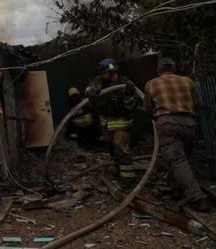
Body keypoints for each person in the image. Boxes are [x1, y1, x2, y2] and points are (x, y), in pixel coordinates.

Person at [144, 58, 211, 212]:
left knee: (178, 161)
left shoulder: (152, 84)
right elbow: (197, 104)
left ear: (159, 70)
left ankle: (197, 198)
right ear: (174, 69)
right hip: (189, 123)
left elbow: (148, 107)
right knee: (182, 159)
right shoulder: (188, 81)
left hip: (167, 123)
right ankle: (174, 189)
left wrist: (157, 115)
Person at [85, 58, 138, 187]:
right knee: (111, 149)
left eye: (104, 73)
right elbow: (90, 88)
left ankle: (128, 179)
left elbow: (131, 106)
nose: (102, 75)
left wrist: (129, 95)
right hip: (106, 124)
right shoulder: (100, 81)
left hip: (121, 123)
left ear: (112, 71)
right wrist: (89, 92)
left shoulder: (126, 84)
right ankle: (119, 170)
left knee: (121, 150)